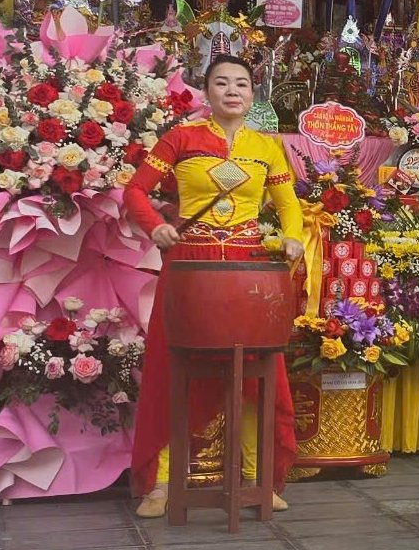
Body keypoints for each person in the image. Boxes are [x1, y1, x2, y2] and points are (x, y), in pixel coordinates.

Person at [124, 55, 307, 519]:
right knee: (174, 367)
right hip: (190, 266)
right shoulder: (180, 138)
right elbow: (135, 191)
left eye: (242, 83)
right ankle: (161, 483)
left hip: (248, 271)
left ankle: (258, 479)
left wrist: (291, 237)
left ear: (252, 93)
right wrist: (154, 227)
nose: (232, 90)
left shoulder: (267, 147)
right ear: (206, 93)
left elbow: (288, 205)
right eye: (221, 83)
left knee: (254, 372)